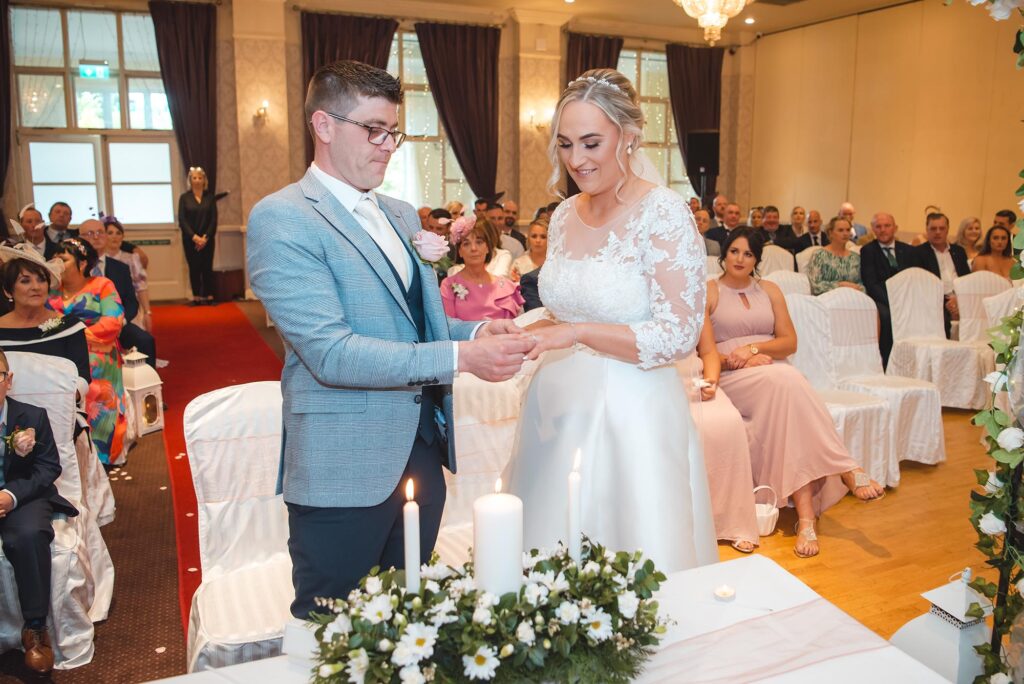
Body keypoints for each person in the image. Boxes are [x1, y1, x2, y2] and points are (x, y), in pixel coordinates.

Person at [246, 59, 533, 618]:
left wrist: (476, 328)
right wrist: (463, 356)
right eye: (373, 130)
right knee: (334, 634)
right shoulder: (282, 218)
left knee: (408, 619)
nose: (387, 146)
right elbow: (330, 353)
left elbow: (413, 325)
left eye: (393, 132)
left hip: (421, 450)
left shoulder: (401, 214)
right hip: (344, 465)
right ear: (324, 126)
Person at [503, 67, 717, 574]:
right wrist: (521, 334)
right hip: (554, 407)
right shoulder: (562, 216)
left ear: (629, 136)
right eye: (565, 144)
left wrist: (576, 333)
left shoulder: (663, 213)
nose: (576, 159)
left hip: (631, 410)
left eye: (592, 143)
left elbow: (679, 335)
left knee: (629, 551)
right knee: (550, 546)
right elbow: (569, 309)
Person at [707, 228, 883, 557]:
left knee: (790, 402)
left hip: (776, 375)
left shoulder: (770, 290)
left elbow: (790, 342)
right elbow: (701, 352)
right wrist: (739, 360)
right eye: (734, 251)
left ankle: (806, 521)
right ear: (724, 254)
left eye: (748, 254)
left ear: (757, 259)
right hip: (734, 377)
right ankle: (847, 468)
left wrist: (753, 347)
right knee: (790, 380)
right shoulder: (710, 292)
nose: (740, 259)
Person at [0, 347, 79, 675]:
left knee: (30, 534)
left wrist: (9, 496)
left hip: (23, 496)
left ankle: (35, 629)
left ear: (8, 380)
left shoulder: (31, 417)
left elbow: (48, 467)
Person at [48, 238, 127, 465]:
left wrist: (74, 338)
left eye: (63, 259)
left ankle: (103, 456)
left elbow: (113, 321)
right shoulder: (52, 294)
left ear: (82, 263)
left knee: (101, 401)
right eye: (54, 259)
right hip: (62, 359)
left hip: (100, 357)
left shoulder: (102, 285)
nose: (57, 263)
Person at [693, 318, 759, 553]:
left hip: (695, 379)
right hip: (658, 380)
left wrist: (711, 381)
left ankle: (732, 522)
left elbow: (709, 351)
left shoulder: (694, 296)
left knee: (727, 422)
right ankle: (687, 523)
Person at [0, 247, 90, 384]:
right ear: (8, 291)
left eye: (41, 280)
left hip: (60, 403)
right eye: (25, 281)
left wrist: (66, 396)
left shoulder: (69, 326)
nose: (36, 287)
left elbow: (83, 377)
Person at [80, 220, 156, 368]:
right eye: (90, 233)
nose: (96, 237)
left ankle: (148, 385)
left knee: (145, 340)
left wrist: (121, 322)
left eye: (100, 232)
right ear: (80, 239)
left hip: (119, 324)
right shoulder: (76, 268)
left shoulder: (120, 268)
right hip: (87, 325)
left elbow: (131, 302)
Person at [441, 216, 523, 321]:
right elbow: (449, 327)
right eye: (466, 244)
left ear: (488, 248)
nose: (474, 248)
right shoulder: (448, 285)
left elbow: (515, 327)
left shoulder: (506, 287)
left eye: (479, 242)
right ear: (460, 252)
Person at [860, 212, 915, 368]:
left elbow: (913, 279)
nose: (883, 230)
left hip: (906, 298)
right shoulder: (868, 251)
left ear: (895, 228)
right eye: (878, 226)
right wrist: (893, 302)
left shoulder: (909, 251)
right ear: (873, 229)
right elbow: (871, 283)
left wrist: (905, 301)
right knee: (886, 316)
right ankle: (887, 363)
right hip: (882, 299)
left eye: (887, 226)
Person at [913, 212, 971, 338]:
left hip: (960, 297)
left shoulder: (959, 252)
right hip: (934, 300)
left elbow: (967, 279)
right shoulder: (918, 253)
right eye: (933, 229)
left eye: (942, 228)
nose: (938, 232)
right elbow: (921, 284)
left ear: (947, 229)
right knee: (942, 320)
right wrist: (946, 300)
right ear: (926, 230)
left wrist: (958, 298)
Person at [102, 217, 152, 332]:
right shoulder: (98, 260)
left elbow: (141, 287)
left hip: (129, 309)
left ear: (123, 237)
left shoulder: (132, 258)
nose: (114, 236)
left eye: (118, 233)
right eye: (110, 233)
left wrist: (147, 313)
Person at [178, 166, 217, 306]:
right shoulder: (184, 198)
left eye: (200, 178)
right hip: (190, 240)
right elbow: (182, 219)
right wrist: (194, 237)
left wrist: (205, 238)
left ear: (204, 180)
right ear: (190, 180)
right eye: (194, 178)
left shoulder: (210, 198)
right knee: (194, 268)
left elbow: (213, 220)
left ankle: (209, 296)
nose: (197, 180)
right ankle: (196, 297)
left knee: (207, 267)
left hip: (208, 240)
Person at [806, 217, 864, 295]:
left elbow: (863, 285)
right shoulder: (819, 255)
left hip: (853, 299)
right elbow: (815, 286)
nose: (845, 233)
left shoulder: (855, 257)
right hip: (827, 301)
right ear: (830, 233)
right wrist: (840, 285)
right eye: (840, 230)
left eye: (848, 230)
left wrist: (856, 288)